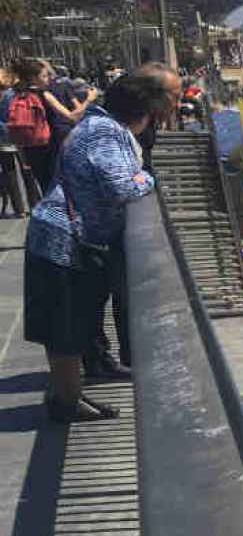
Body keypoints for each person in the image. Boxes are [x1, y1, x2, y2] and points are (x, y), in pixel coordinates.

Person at [22, 74, 161, 423]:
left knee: (67, 323)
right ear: (142, 111)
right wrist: (150, 178)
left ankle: (67, 394)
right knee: (65, 326)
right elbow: (121, 188)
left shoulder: (96, 124)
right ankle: (67, 403)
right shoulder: (105, 132)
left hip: (61, 237)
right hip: (63, 241)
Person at [7, 60, 81, 194]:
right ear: (34, 78)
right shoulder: (45, 95)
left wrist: (22, 154)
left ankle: (48, 212)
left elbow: (17, 127)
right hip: (50, 145)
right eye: (44, 76)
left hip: (30, 148)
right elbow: (72, 116)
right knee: (60, 188)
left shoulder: (17, 96)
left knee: (45, 187)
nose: (48, 79)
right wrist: (88, 100)